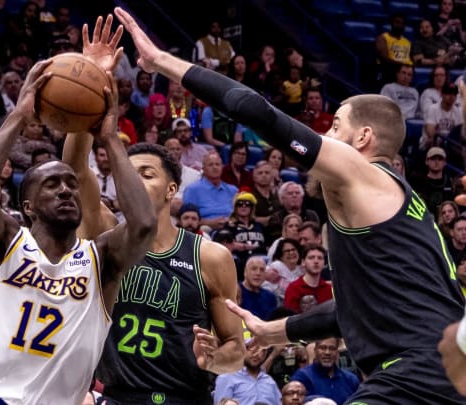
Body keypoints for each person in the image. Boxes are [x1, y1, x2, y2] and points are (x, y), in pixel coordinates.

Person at [115, 6, 466, 402]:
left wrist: (161, 61)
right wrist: (273, 332)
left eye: (335, 127)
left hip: (415, 373)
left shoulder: (362, 174)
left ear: (363, 138)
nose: (325, 135)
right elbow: (351, 310)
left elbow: (259, 113)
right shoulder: (406, 212)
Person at [0, 17, 157, 404]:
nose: (66, 189)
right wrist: (18, 118)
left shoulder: (102, 260)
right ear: (27, 207)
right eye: (51, 183)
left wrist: (109, 138)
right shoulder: (5, 243)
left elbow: (144, 225)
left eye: (71, 184)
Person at [61, 16, 244, 404]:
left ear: (172, 190)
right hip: (117, 395)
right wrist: (91, 78)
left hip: (185, 397)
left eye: (148, 174)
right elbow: (76, 171)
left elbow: (236, 350)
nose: (136, 180)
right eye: (131, 172)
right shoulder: (107, 233)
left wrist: (214, 359)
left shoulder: (209, 256)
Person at [290, 338, 360, 405]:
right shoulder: (302, 377)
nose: (327, 352)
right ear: (315, 350)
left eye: (332, 348)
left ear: (337, 353)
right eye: (323, 348)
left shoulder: (351, 380)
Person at [213, 346, 281, 405]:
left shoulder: (269, 381)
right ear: (241, 350)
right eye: (250, 348)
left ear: (265, 353)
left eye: (262, 350)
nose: (256, 354)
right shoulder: (227, 377)